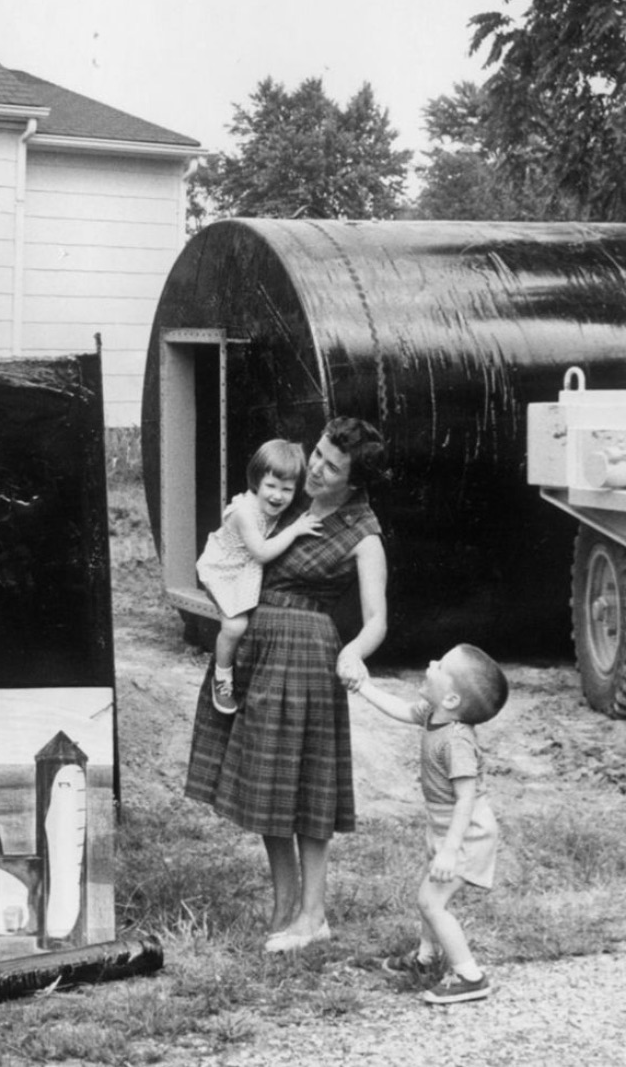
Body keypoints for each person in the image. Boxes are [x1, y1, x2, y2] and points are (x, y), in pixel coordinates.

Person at [185, 415, 389, 953]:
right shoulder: (286, 498)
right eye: (318, 455)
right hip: (259, 649)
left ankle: (313, 914)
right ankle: (285, 906)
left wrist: (353, 650)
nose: (317, 469)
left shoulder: (364, 533)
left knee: (308, 793)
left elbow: (377, 621)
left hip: (305, 659)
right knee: (267, 785)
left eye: (332, 466)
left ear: (355, 479)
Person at [350, 644, 508, 1006]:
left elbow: (466, 800)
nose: (430, 662)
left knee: (431, 901)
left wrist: (451, 849)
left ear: (451, 699)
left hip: (466, 831)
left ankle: (470, 976)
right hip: (443, 824)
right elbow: (401, 709)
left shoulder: (456, 741)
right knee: (429, 894)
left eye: (440, 665)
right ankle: (426, 957)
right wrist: (363, 687)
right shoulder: (433, 713)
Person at [195, 439, 319, 714]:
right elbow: (262, 552)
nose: (277, 496)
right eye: (271, 486)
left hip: (244, 569)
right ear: (256, 481)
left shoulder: (276, 504)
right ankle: (222, 676)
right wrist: (296, 530)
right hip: (223, 571)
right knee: (235, 626)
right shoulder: (244, 513)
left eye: (287, 490)